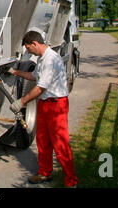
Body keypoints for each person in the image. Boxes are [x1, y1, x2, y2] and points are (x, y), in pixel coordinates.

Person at [10, 30, 78, 188]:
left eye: (28, 48)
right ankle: (44, 172)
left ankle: (71, 182)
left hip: (57, 105)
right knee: (43, 141)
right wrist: (16, 72)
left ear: (35, 43)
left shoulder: (50, 59)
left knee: (60, 144)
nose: (28, 52)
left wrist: (22, 101)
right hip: (45, 104)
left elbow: (40, 87)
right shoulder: (41, 59)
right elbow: (34, 77)